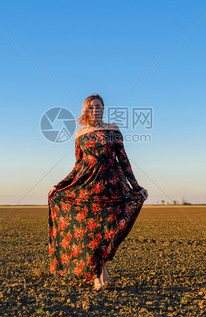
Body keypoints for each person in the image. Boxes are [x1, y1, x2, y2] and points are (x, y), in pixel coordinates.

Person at [48, 94, 149, 291]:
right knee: (91, 233)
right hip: (88, 188)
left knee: (108, 231)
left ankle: (101, 268)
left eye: (98, 106)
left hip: (112, 186)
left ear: (103, 108)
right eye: (91, 107)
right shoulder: (79, 134)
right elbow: (78, 166)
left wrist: (136, 187)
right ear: (86, 110)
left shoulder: (113, 129)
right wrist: (59, 186)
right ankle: (97, 275)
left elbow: (123, 159)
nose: (95, 110)